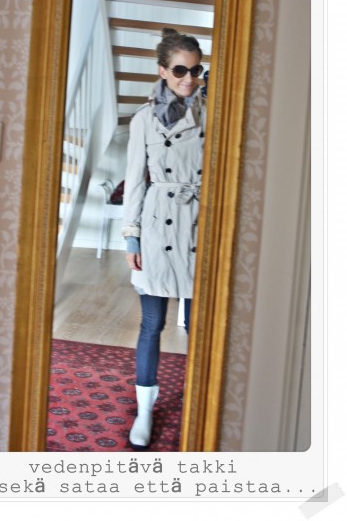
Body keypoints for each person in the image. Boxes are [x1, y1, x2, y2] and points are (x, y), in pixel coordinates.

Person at [122, 28, 206, 448]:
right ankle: (145, 410)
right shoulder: (142, 119)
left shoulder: (213, 113)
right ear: (162, 71)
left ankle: (201, 401)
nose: (189, 79)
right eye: (179, 70)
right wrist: (131, 238)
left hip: (198, 224)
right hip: (157, 225)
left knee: (199, 326)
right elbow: (135, 181)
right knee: (152, 324)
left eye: (196, 70)